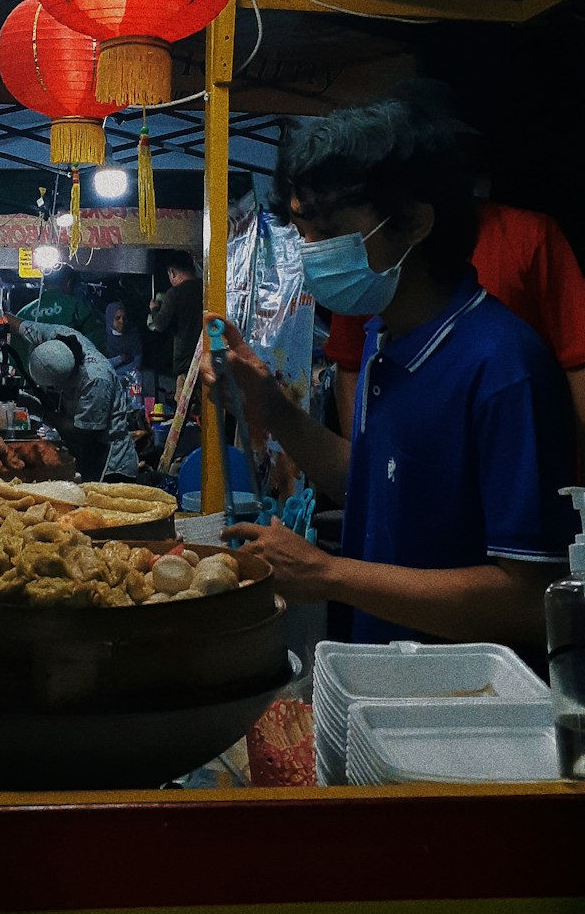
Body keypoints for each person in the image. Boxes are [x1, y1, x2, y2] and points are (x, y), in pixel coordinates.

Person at [205, 90, 576, 649]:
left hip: (462, 714)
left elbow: (529, 598)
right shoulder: (386, 340)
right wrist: (272, 410)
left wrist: (329, 576)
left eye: (329, 234)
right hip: (382, 683)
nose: (311, 255)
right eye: (303, 235)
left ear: (414, 223)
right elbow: (368, 485)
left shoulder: (503, 367)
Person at [325, 196, 585, 449]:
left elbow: (578, 360)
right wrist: (362, 474)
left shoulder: (527, 239)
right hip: (404, 458)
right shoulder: (366, 263)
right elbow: (351, 363)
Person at [8, 313, 138, 479]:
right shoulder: (57, 335)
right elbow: (20, 326)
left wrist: (44, 413)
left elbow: (84, 433)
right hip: (84, 448)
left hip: (109, 461)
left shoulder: (96, 380)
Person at [147, 251, 202, 398]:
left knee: (185, 407)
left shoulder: (175, 293)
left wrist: (154, 309)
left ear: (172, 272)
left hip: (185, 362)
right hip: (206, 357)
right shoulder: (205, 288)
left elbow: (159, 324)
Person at [103, 301, 142, 381]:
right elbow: (100, 363)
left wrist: (134, 370)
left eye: (124, 318)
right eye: (117, 318)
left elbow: (138, 356)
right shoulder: (102, 336)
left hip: (128, 371)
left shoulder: (132, 334)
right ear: (110, 318)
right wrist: (119, 359)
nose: (122, 321)